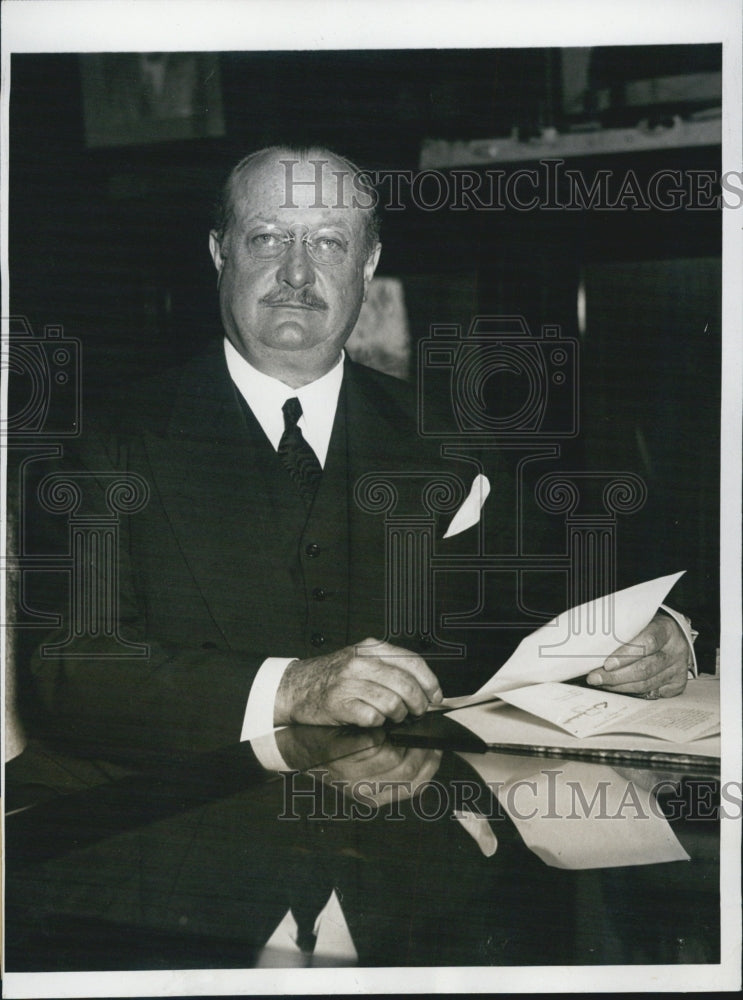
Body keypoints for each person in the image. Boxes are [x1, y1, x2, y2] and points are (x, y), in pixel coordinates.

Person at [26, 145, 695, 763]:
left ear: (368, 263)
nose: (296, 272)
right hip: (183, 835)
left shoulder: (449, 436)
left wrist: (653, 637)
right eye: (267, 238)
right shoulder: (101, 440)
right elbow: (73, 669)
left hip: (400, 848)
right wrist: (289, 688)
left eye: (327, 241)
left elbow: (547, 603)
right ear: (218, 252)